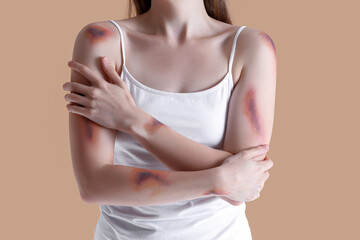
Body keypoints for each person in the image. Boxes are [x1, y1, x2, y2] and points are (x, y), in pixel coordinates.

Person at [63, 0, 276, 239]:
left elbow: (243, 184)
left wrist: (134, 120)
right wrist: (217, 179)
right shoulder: (102, 41)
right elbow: (94, 185)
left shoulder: (251, 47)